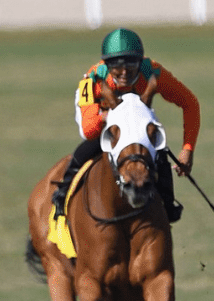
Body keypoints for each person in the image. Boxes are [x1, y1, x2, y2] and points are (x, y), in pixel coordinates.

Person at [51, 27, 201, 224]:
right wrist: (109, 116)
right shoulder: (92, 80)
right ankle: (62, 193)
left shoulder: (154, 72)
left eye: (131, 65)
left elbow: (189, 103)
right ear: (106, 64)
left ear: (141, 61)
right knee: (92, 145)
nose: (124, 73)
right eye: (116, 67)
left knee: (159, 151)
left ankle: (167, 203)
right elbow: (89, 130)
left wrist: (187, 150)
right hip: (102, 117)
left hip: (137, 123)